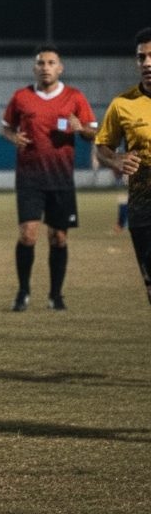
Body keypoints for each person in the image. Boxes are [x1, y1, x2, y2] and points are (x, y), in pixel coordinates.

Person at [2, 45, 97, 311]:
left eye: (51, 62)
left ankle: (56, 295)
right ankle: (23, 292)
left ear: (60, 67)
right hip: (29, 178)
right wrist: (13, 138)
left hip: (61, 178)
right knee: (28, 235)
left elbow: (92, 132)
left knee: (58, 238)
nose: (45, 67)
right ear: (35, 68)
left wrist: (80, 129)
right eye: (41, 63)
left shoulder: (74, 97)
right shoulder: (21, 97)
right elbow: (6, 128)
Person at [94, 28, 151, 307]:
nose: (147, 63)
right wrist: (116, 159)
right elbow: (101, 147)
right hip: (143, 209)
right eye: (142, 57)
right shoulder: (122, 105)